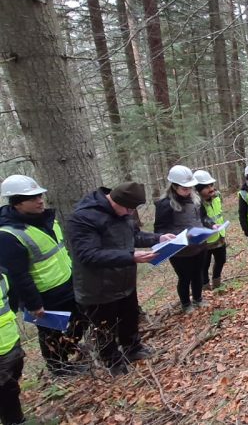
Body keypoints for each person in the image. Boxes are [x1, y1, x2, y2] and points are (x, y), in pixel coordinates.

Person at [68, 182, 172, 376]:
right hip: (98, 288)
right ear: (115, 200)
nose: (129, 213)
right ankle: (112, 361)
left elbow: (134, 236)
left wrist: (159, 239)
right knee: (105, 327)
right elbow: (89, 255)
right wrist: (131, 256)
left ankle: (133, 348)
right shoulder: (83, 217)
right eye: (128, 209)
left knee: (129, 317)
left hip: (124, 281)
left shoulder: (124, 213)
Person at [0, 175, 86, 376]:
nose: (40, 201)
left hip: (67, 283)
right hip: (44, 294)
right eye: (33, 198)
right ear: (17, 203)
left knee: (79, 320)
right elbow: (18, 275)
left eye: (40, 196)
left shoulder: (46, 219)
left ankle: (70, 352)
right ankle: (58, 367)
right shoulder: (8, 235)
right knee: (50, 333)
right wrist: (34, 304)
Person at [155, 165, 214, 313]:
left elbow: (203, 217)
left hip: (199, 245)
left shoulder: (196, 199)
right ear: (174, 186)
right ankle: (186, 304)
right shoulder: (165, 204)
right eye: (184, 188)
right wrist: (171, 236)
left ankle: (198, 299)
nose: (188, 191)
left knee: (198, 274)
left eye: (190, 188)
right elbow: (159, 230)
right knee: (185, 277)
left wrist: (211, 225)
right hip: (180, 250)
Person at [0, 270, 25, 425]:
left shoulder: (3, 275)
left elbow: (13, 302)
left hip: (11, 344)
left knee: (11, 389)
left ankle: (16, 420)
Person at [194, 170, 227, 289]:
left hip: (219, 236)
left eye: (211, 185)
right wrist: (211, 225)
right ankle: (206, 287)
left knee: (221, 260)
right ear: (198, 189)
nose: (210, 189)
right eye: (206, 187)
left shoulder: (217, 196)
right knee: (204, 265)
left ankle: (217, 283)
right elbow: (202, 218)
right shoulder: (196, 203)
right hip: (205, 240)